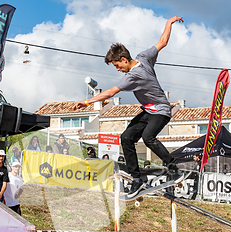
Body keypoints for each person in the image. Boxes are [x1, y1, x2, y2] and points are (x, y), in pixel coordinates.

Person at [72, 16, 185, 198]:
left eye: (117, 66)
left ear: (124, 59)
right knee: (126, 138)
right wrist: (169, 22)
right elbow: (163, 42)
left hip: (162, 110)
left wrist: (86, 102)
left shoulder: (133, 75)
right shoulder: (144, 57)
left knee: (148, 137)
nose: (118, 70)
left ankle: (174, 169)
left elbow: (109, 93)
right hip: (148, 110)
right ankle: (137, 179)